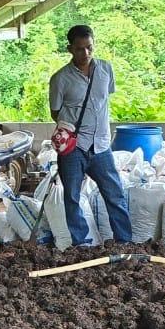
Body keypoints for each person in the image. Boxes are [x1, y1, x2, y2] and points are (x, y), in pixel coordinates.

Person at [49, 25, 133, 246]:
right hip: (74, 148)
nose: (85, 54)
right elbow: (55, 112)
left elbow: (105, 98)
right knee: (72, 197)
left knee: (115, 194)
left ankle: (124, 241)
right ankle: (81, 244)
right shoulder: (60, 79)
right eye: (79, 49)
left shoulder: (106, 69)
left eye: (89, 48)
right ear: (70, 49)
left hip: (102, 145)